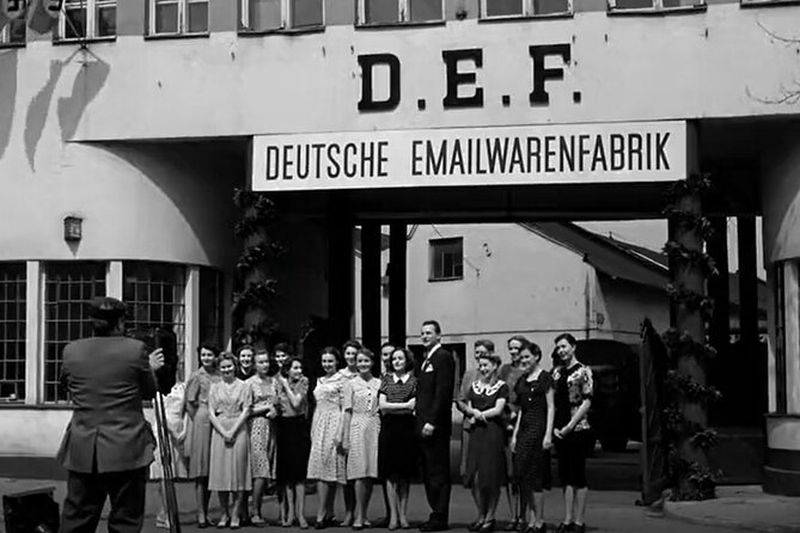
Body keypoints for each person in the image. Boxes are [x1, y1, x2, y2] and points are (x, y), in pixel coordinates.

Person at [56, 296, 165, 533]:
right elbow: (149, 390)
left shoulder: (71, 350)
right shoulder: (135, 349)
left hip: (83, 447)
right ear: (120, 322)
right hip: (127, 446)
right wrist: (152, 369)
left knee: (77, 517)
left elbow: (66, 385)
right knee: (125, 519)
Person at [510, 341, 554, 533]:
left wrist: (548, 434)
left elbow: (551, 406)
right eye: (522, 357)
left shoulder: (545, 378)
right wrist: (514, 435)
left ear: (536, 356)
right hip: (524, 429)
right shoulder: (522, 380)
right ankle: (530, 519)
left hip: (539, 427)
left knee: (536, 476)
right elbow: (521, 410)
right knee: (523, 475)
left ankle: (539, 520)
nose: (524, 360)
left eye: (527, 356)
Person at [416, 320, 455, 532]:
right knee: (428, 471)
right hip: (422, 424)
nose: (424, 336)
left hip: (434, 427)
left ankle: (440, 516)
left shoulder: (443, 357)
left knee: (438, 472)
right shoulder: (426, 359)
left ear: (439, 336)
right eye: (422, 333)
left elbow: (442, 393)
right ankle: (435, 512)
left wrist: (432, 421)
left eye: (429, 333)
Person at [463, 351, 509, 533]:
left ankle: (490, 516)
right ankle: (481, 514)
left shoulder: (501, 387)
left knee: (490, 476)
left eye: (486, 365)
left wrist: (479, 414)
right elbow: (468, 404)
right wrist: (472, 412)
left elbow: (498, 410)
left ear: (495, 366)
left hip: (493, 432)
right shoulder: (474, 386)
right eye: (480, 365)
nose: (483, 369)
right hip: (477, 433)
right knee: (475, 477)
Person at [552, 334, 593, 533]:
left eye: (564, 346)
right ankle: (567, 518)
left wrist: (570, 425)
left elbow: (587, 401)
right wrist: (555, 427)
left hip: (577, 427)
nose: (561, 351)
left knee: (578, 474)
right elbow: (552, 401)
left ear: (573, 347)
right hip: (559, 429)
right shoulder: (557, 372)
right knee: (565, 475)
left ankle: (579, 520)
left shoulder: (584, 371)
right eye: (558, 347)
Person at [208, 352, 252, 529]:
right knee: (221, 474)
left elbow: (247, 410)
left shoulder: (244, 386)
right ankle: (224, 512)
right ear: (219, 369)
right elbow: (211, 412)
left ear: (235, 366)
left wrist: (233, 430)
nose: (227, 369)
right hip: (220, 429)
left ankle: (236, 513)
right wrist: (223, 431)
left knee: (238, 473)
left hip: (239, 429)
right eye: (223, 366)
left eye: (229, 366)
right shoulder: (214, 387)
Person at [341, 348, 382, 530]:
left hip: (374, 425)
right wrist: (345, 437)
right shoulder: (350, 384)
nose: (363, 364)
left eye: (366, 361)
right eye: (360, 361)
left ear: (372, 362)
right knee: (358, 472)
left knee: (369, 473)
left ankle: (365, 513)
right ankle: (357, 514)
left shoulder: (379, 383)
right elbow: (347, 411)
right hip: (356, 425)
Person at [378, 347, 418, 530]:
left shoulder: (414, 381)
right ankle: (393, 515)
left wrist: (395, 406)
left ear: (406, 361)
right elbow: (382, 406)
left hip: (407, 430)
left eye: (400, 358)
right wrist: (403, 405)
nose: (397, 362)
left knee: (404, 475)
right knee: (390, 473)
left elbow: (413, 407)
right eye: (394, 359)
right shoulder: (385, 380)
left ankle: (403, 514)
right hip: (389, 429)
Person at [307, 347, 348, 529]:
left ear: (337, 361)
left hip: (334, 422)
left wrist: (340, 431)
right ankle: (328, 511)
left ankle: (322, 513)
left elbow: (344, 406)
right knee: (321, 468)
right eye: (324, 361)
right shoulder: (319, 379)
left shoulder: (343, 379)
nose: (327, 364)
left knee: (329, 468)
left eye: (330, 361)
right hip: (319, 422)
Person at [185, 342, 222, 528]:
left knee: (212, 469)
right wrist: (200, 419)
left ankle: (208, 511)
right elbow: (189, 403)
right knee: (201, 469)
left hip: (219, 420)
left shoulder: (220, 374)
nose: (206, 358)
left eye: (209, 355)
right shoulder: (196, 376)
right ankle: (200, 513)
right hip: (202, 418)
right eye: (203, 355)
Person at [277, 357, 312, 528]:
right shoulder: (279, 382)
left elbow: (296, 403)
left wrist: (285, 386)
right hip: (284, 426)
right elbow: (276, 403)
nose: (298, 371)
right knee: (287, 475)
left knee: (299, 474)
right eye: (295, 368)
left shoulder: (304, 382)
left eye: (300, 367)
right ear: (288, 369)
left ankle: (301, 513)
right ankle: (290, 513)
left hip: (298, 426)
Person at [150, 380, 190, 530]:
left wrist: (184, 430)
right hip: (162, 432)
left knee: (171, 475)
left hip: (179, 429)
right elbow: (159, 414)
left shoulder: (182, 387)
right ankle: (164, 514)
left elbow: (187, 410)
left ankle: (166, 513)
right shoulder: (156, 389)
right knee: (162, 475)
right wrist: (172, 432)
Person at [246, 349, 279, 525]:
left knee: (269, 468)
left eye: (266, 361)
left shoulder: (275, 381)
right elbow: (246, 408)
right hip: (256, 426)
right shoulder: (249, 384)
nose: (264, 365)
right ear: (254, 364)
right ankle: (254, 511)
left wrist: (276, 409)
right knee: (260, 468)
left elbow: (280, 401)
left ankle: (257, 510)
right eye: (260, 362)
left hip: (272, 428)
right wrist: (266, 408)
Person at [500, 335, 528, 532]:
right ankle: (513, 515)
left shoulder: (528, 370)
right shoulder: (504, 370)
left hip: (523, 423)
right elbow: (498, 393)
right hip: (505, 423)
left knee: (522, 473)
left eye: (517, 348)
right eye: (511, 348)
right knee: (509, 474)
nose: (514, 352)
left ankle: (524, 515)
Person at [456, 340, 494, 480]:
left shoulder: (497, 375)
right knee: (470, 470)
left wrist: (482, 414)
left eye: (483, 353)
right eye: (477, 352)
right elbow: (460, 399)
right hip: (469, 424)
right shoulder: (469, 374)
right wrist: (470, 412)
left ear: (491, 353)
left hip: (489, 424)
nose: (479, 355)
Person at [337, 340, 362, 526]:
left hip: (360, 424)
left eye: (354, 354)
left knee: (360, 472)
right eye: (348, 353)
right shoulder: (339, 376)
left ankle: (361, 513)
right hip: (341, 422)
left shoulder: (364, 373)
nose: (351, 357)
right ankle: (348, 511)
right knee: (345, 474)